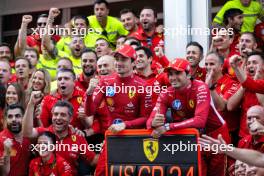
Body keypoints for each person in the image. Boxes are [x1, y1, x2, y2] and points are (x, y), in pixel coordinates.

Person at [147, 58, 230, 176]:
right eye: (170, 74)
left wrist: (167, 127)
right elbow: (149, 122)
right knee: (198, 172)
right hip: (192, 138)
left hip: (216, 135)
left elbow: (199, 121)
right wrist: (153, 123)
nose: (173, 77)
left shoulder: (201, 87)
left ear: (188, 74)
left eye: (178, 73)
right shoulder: (166, 93)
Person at [85, 44, 152, 175]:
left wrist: (125, 125)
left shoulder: (143, 86)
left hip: (135, 140)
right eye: (117, 59)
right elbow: (89, 112)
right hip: (112, 138)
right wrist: (89, 94)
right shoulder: (104, 81)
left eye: (123, 59)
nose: (119, 63)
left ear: (133, 62)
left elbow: (146, 119)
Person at [23, 92, 98, 175]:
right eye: (55, 114)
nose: (58, 118)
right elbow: (27, 133)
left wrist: (107, 148)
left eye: (63, 115)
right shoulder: (45, 133)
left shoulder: (78, 137)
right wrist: (31, 104)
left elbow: (93, 160)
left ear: (70, 118)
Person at [199, 106, 264, 176]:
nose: (252, 121)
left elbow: (259, 159)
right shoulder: (243, 141)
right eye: (249, 118)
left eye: (257, 118)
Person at [205, 52, 240, 145]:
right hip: (208, 133)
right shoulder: (202, 84)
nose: (208, 67)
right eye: (206, 64)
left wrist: (210, 88)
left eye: (212, 64)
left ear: (221, 66)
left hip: (227, 134)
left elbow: (222, 107)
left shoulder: (232, 83)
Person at [227, 52, 264, 138]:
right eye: (248, 63)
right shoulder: (244, 85)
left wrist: (256, 79)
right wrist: (244, 85)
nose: (250, 66)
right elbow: (230, 107)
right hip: (244, 136)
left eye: (254, 63)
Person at [0, 104, 31, 176]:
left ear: (24, 118)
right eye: (10, 116)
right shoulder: (1, 139)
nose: (14, 119)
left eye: (17, 116)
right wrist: (6, 153)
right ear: (6, 119)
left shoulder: (29, 137)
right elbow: (4, 173)